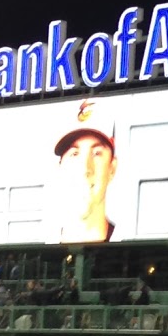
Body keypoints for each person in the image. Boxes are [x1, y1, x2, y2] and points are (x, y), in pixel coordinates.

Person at [55, 102, 116, 243]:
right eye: (74, 154)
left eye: (96, 153)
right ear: (60, 167)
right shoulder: (41, 246)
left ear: (112, 168)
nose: (85, 169)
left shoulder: (126, 243)